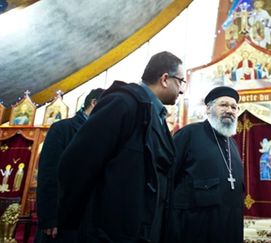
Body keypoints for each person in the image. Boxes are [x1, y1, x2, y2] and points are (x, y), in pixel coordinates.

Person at [57, 51, 185, 242]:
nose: (182, 90)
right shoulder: (123, 103)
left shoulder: (155, 114)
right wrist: (88, 225)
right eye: (181, 81)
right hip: (112, 234)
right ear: (165, 79)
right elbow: (76, 163)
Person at [169, 86, 244, 243]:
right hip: (193, 227)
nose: (230, 110)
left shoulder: (232, 144)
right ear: (209, 109)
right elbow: (168, 177)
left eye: (234, 107)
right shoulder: (189, 134)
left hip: (229, 227)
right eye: (223, 105)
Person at [35, 88, 104, 242]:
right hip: (60, 218)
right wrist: (49, 217)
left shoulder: (101, 133)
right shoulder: (62, 129)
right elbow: (48, 174)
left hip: (86, 220)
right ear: (94, 103)